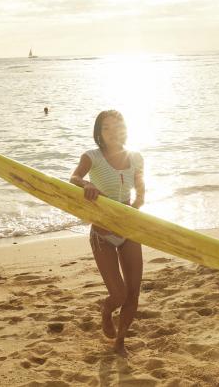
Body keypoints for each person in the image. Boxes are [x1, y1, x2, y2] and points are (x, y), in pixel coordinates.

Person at [70, 110, 145, 357]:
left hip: (129, 229)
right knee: (119, 294)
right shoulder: (91, 157)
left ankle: (120, 341)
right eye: (106, 127)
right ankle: (106, 310)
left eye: (117, 126)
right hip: (102, 232)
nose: (113, 132)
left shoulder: (136, 157)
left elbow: (140, 186)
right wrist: (87, 184)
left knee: (133, 293)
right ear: (99, 133)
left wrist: (138, 202)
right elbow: (74, 177)